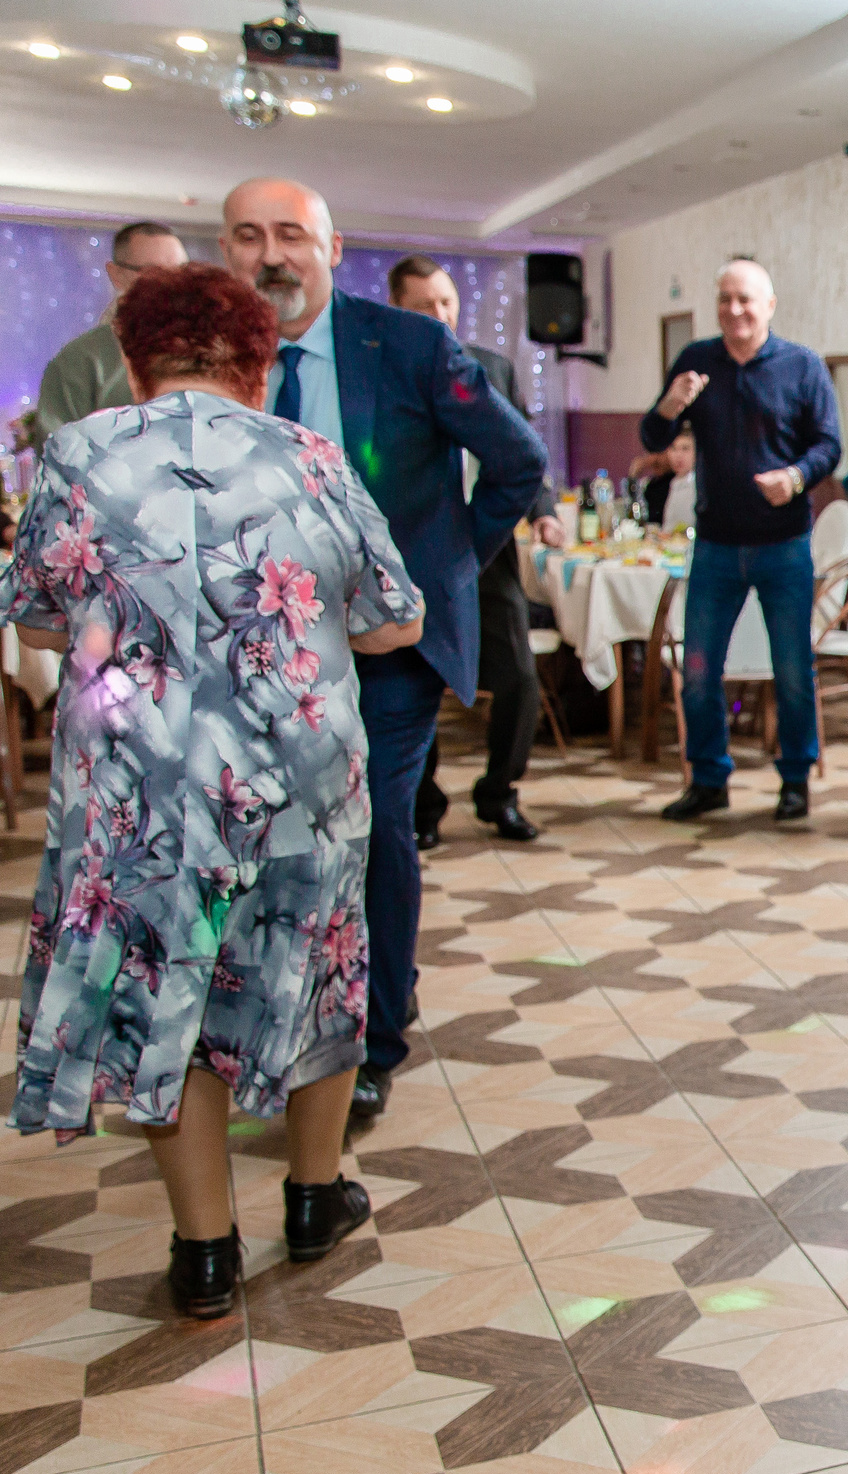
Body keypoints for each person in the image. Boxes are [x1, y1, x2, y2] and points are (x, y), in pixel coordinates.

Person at [1, 263, 426, 1318]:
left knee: (165, 1001)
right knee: (319, 974)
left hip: (136, 792)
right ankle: (315, 1198)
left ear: (133, 358)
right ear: (259, 360)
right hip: (297, 783)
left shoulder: (76, 452)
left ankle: (203, 1252)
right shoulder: (309, 455)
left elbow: (38, 624)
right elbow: (396, 621)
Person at [221, 178, 548, 1123]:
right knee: (270, 833)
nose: (271, 256)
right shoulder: (216, 358)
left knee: (372, 828)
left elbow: (518, 461)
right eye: (248, 237)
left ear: (331, 249)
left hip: (388, 649)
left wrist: (442, 568)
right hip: (259, 650)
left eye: (291, 235)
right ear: (226, 250)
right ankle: (281, 1017)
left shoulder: (409, 345)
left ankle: (372, 1037)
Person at [644, 259, 842, 824]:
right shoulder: (696, 361)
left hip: (784, 545)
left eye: (746, 299)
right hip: (715, 546)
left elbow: (829, 445)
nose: (734, 310)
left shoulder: (802, 366)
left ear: (769, 306)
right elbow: (654, 436)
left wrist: (796, 478)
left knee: (792, 669)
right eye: (725, 299)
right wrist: (671, 404)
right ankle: (709, 779)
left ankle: (795, 780)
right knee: (699, 670)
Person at [386, 254, 565, 848]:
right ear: (398, 309)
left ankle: (500, 794)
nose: (440, 315)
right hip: (410, 556)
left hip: (485, 551)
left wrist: (542, 512)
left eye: (447, 303)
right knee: (417, 685)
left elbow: (522, 451)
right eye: (424, 306)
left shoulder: (490, 368)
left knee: (520, 681)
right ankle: (424, 808)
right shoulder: (384, 373)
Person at [32, 220, 189, 451]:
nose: (172, 285)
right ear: (116, 274)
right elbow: (57, 454)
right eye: (153, 273)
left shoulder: (213, 350)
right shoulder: (81, 361)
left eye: (181, 272)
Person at [632, 428, 696, 529]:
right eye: (673, 448)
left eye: (685, 449)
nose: (678, 455)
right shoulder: (674, 483)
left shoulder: (701, 485)